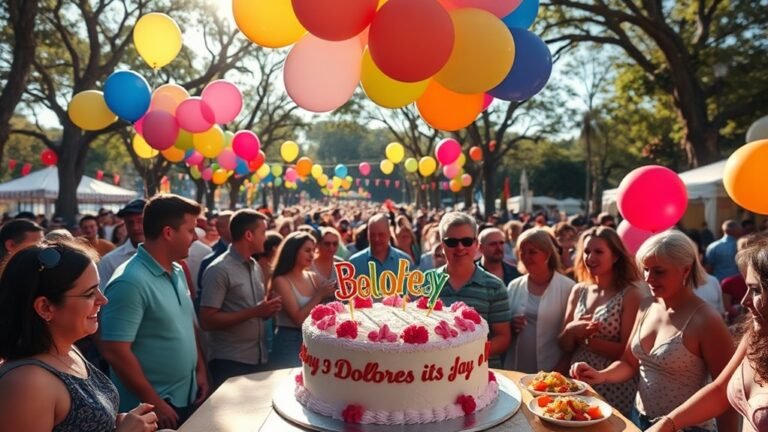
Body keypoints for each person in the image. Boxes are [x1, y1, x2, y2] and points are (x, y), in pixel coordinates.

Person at [571, 230, 737, 432]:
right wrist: (601, 375)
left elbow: (726, 392)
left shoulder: (707, 320)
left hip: (688, 428)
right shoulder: (647, 305)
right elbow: (629, 363)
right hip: (639, 419)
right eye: (646, 270)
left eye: (659, 271)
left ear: (685, 270)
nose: (649, 278)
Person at [0, 240, 158, 431]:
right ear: (45, 307)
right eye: (89, 293)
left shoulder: (66, 349)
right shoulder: (27, 384)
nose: (103, 299)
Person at [99, 194, 208, 430]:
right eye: (190, 230)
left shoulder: (178, 270)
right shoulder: (130, 281)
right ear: (168, 232)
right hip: (149, 412)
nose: (195, 238)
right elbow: (115, 351)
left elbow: (186, 323)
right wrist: (154, 401)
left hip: (184, 395)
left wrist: (199, 368)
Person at [644, 240, 768, 432]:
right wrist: (667, 423)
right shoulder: (755, 336)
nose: (744, 301)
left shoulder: (705, 318)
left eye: (756, 290)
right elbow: (719, 392)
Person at [558, 226, 645, 416]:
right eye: (587, 251)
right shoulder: (579, 290)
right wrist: (571, 330)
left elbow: (627, 353)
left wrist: (587, 340)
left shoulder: (630, 295)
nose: (590, 257)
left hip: (614, 386)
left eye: (598, 251)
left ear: (615, 256)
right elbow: (564, 345)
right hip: (577, 383)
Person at [199, 210, 283, 389]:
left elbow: (254, 311)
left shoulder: (254, 266)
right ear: (249, 235)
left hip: (257, 358)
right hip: (230, 361)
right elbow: (207, 321)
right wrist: (256, 311)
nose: (266, 238)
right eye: (263, 232)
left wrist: (267, 309)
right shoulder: (219, 269)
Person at [435, 212, 512, 368]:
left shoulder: (494, 286)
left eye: (467, 241)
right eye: (452, 242)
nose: (460, 247)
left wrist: (468, 355)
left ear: (476, 245)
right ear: (442, 245)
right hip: (434, 372)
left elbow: (503, 337)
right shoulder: (425, 283)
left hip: (480, 373)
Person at [505, 228, 576, 373]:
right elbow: (504, 327)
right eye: (522, 252)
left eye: (532, 252)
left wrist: (557, 372)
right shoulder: (514, 286)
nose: (526, 257)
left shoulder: (568, 287)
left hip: (553, 370)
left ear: (548, 254)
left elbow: (572, 340)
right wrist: (511, 326)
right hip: (516, 367)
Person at [270, 232, 336, 369]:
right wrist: (319, 295)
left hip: (312, 340)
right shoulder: (281, 280)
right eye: (307, 250)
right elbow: (298, 319)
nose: (312, 255)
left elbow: (335, 292)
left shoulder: (313, 277)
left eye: (313, 250)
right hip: (289, 341)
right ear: (293, 252)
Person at [348, 214, 413, 281]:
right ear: (367, 235)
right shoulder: (354, 263)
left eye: (381, 235)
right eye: (372, 235)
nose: (376, 239)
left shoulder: (405, 262)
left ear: (389, 233)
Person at [98, 199, 146, 288]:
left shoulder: (166, 256)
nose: (135, 227)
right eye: (130, 222)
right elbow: (102, 298)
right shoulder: (110, 262)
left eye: (140, 221)